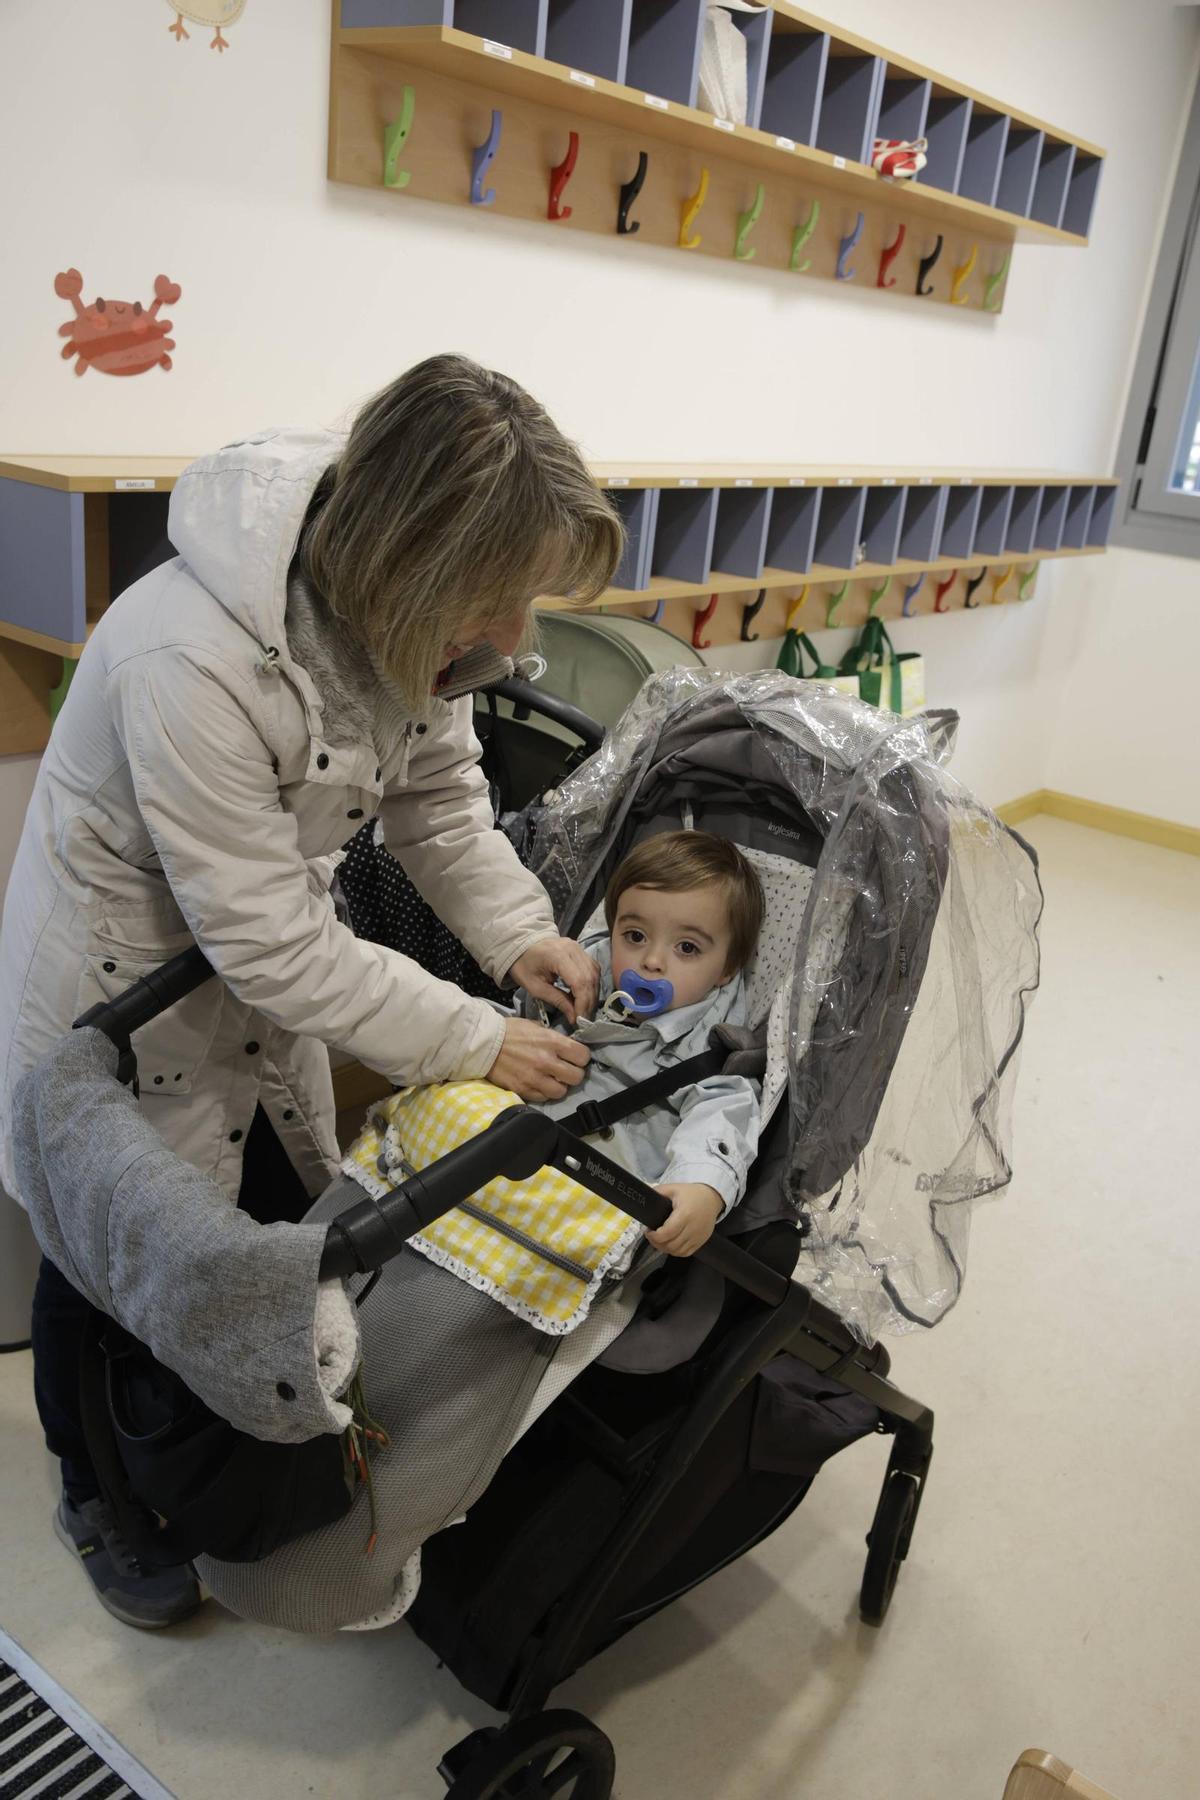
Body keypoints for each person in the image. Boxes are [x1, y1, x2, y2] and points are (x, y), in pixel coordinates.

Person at [0, 352, 623, 1628]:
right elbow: (275, 945)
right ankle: (94, 1494)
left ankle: (213, 1450)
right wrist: (476, 1038)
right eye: (500, 599)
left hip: (241, 974)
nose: (515, 641)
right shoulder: (192, 657)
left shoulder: (408, 634)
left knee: (258, 1227)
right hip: (119, 997)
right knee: (105, 1252)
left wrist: (517, 937)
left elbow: (441, 805)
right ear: (417, 561)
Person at [354, 830, 765, 1335]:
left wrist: (704, 1186)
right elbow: (516, 1028)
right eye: (634, 936)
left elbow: (721, 1117)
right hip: (498, 1156)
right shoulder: (579, 985)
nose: (652, 962)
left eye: (686, 947)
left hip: (582, 1195)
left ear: (726, 970)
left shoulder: (710, 1055)